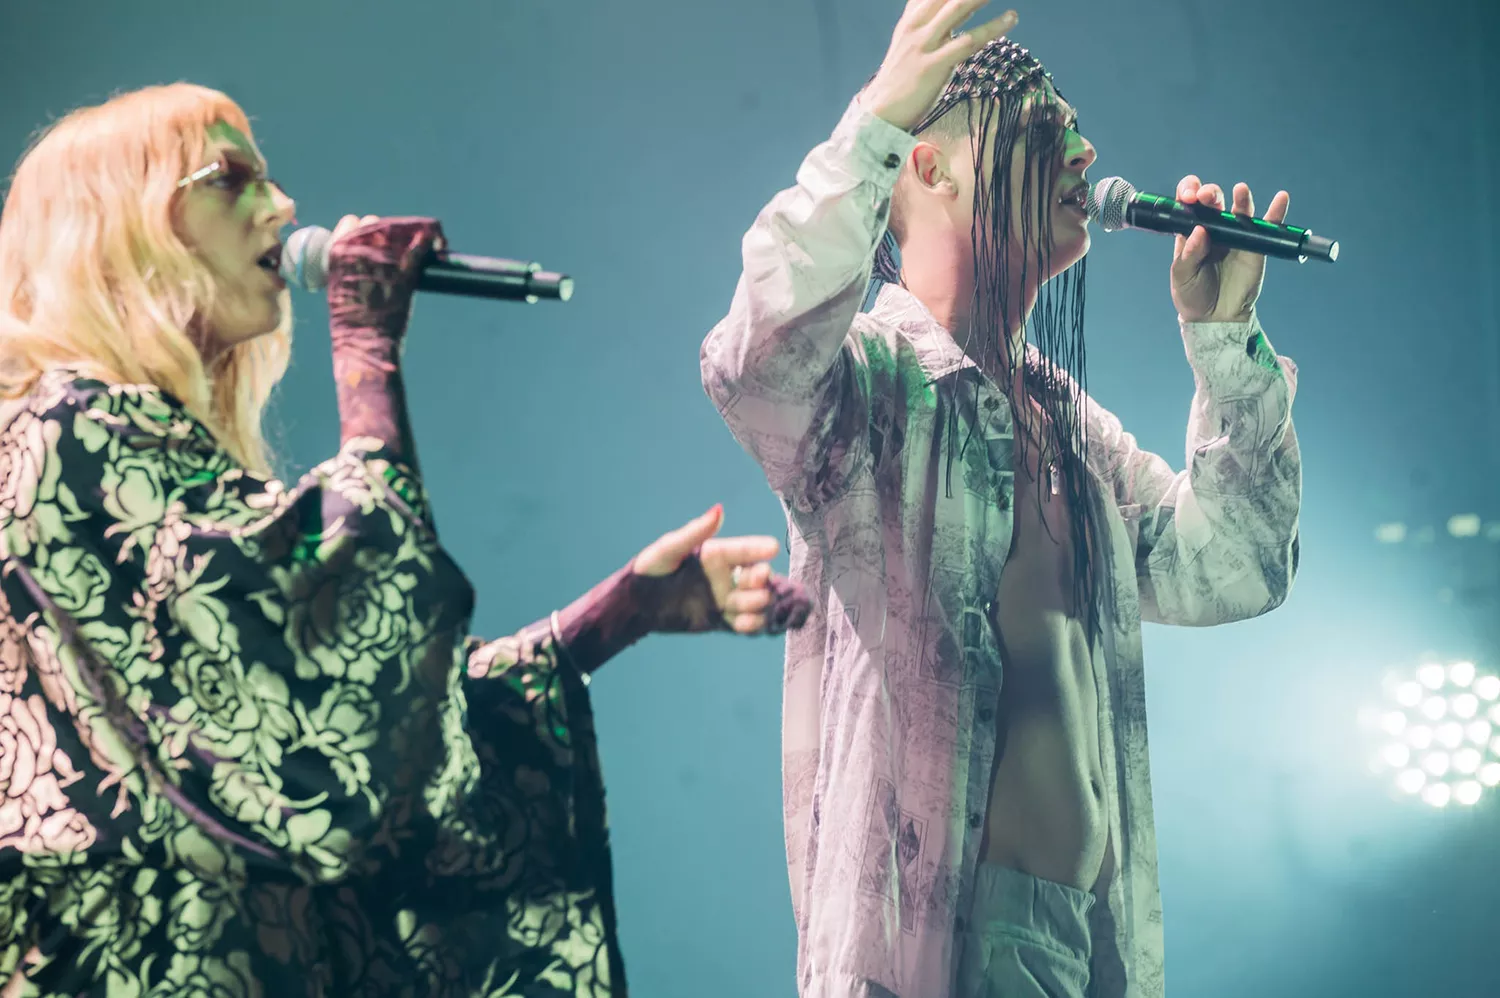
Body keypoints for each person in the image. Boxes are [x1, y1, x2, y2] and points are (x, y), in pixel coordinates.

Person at [0, 82, 809, 997]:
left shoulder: (110, 444)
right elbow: (334, 688)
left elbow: (325, 728)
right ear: (121, 227)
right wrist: (365, 349)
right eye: (230, 178)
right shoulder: (68, 433)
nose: (283, 206)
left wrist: (612, 617)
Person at [700, 2, 1302, 995]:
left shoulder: (1072, 430)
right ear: (929, 169)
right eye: (1041, 124)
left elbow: (1236, 565)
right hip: (930, 952)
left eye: (1076, 128)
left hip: (1085, 953)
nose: (1085, 151)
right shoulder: (870, 389)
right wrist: (877, 118)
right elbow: (753, 362)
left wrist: (1225, 339)